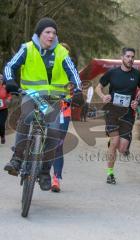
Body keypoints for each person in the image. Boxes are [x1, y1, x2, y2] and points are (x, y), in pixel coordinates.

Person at [3, 17, 82, 191]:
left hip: (53, 98)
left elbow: (74, 73)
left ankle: (45, 172)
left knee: (54, 132)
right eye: (47, 32)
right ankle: (17, 158)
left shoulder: (61, 52)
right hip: (31, 95)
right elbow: (10, 67)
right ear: (39, 34)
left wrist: (78, 90)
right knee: (26, 117)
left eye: (54, 33)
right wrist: (9, 81)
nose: (51, 36)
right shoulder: (27, 48)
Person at [96, 47, 140, 184]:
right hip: (112, 112)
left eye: (132, 57)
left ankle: (120, 144)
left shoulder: (137, 74)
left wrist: (137, 101)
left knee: (122, 148)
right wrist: (103, 96)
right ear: (122, 57)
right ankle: (110, 174)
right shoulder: (112, 73)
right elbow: (98, 87)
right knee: (115, 141)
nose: (130, 59)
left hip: (128, 114)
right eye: (128, 56)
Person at [51, 42, 73, 192]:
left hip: (63, 112)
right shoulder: (48, 66)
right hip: (46, 108)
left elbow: (76, 88)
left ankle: (56, 178)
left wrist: (73, 96)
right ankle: (35, 168)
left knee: (58, 146)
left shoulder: (71, 72)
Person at [0, 74, 12, 144]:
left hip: (3, 110)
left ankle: (2, 136)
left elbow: (9, 95)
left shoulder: (5, 88)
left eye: (1, 79)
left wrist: (8, 99)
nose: (0, 80)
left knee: (1, 124)